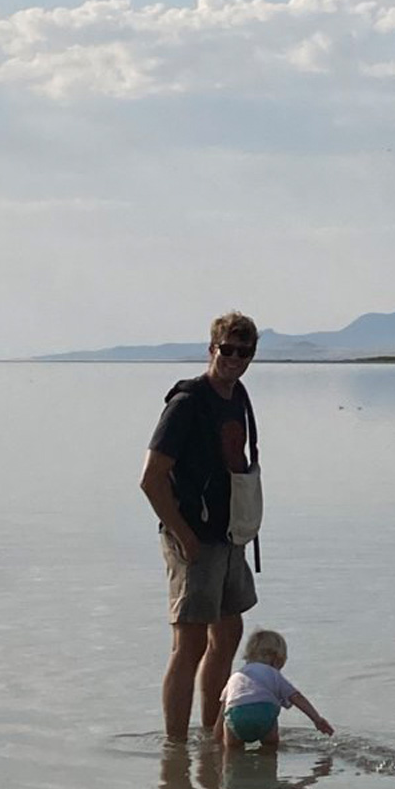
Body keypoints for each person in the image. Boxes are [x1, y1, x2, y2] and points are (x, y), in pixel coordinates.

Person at [140, 311, 262, 743]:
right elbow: (151, 479)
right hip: (191, 538)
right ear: (211, 349)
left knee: (228, 634)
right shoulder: (187, 403)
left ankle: (212, 736)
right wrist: (185, 537)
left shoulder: (238, 396)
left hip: (229, 538)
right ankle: (174, 749)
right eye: (227, 349)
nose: (234, 358)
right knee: (188, 646)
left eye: (243, 352)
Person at [217, 630, 334, 748]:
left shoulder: (236, 675)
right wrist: (317, 719)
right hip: (264, 713)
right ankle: (269, 758)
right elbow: (296, 697)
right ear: (277, 658)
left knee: (232, 751)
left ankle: (229, 760)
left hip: (236, 716)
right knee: (270, 746)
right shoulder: (273, 674)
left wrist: (216, 735)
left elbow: (223, 709)